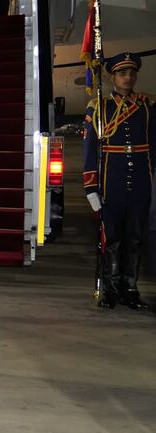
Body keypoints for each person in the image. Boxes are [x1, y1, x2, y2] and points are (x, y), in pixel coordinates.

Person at [83, 52, 154, 310]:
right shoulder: (99, 108)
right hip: (110, 182)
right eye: (122, 73)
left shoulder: (146, 106)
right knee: (111, 238)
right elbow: (90, 149)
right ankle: (111, 289)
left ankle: (130, 288)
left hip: (140, 183)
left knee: (135, 238)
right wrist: (91, 186)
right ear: (112, 76)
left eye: (132, 73)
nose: (128, 77)